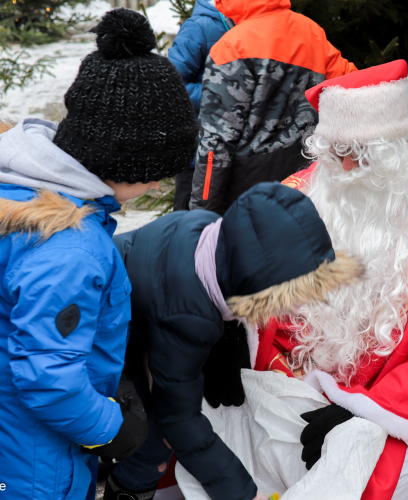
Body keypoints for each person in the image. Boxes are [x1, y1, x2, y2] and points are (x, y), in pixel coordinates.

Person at [252, 59, 408, 499]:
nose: (344, 169)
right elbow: (272, 310)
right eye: (334, 152)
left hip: (406, 408)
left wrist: (369, 413)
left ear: (403, 147)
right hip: (307, 390)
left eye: (362, 155)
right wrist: (295, 386)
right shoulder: (303, 192)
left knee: (371, 478)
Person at [0, 8, 198, 500]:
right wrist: (111, 427)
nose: (158, 183)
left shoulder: (31, 186)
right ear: (121, 159)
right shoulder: (70, 246)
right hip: (35, 462)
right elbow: (49, 380)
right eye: (156, 171)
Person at [107, 182, 361, 500]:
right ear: (253, 282)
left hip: (128, 316)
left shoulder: (203, 233)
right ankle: (129, 491)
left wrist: (228, 329)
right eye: (282, 295)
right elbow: (179, 419)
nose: (291, 308)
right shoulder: (190, 313)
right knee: (145, 431)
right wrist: (242, 493)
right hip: (102, 339)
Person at [189, 0, 357, 215]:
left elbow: (215, 142)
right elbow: (352, 87)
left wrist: (201, 211)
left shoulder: (231, 47)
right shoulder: (310, 32)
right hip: (307, 179)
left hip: (248, 191)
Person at [168, 0, 234, 210]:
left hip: (231, 149)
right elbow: (172, 84)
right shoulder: (198, 27)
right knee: (188, 216)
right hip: (199, 149)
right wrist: (221, 95)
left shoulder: (244, 25)